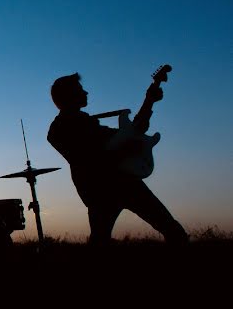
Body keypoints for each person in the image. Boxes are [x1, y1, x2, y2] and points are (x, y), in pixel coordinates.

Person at [47, 73, 188, 246]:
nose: (86, 93)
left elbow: (132, 132)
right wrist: (126, 148)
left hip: (120, 184)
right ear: (69, 95)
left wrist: (149, 101)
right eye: (80, 90)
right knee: (103, 242)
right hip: (102, 190)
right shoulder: (58, 131)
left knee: (171, 230)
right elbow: (89, 159)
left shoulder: (89, 123)